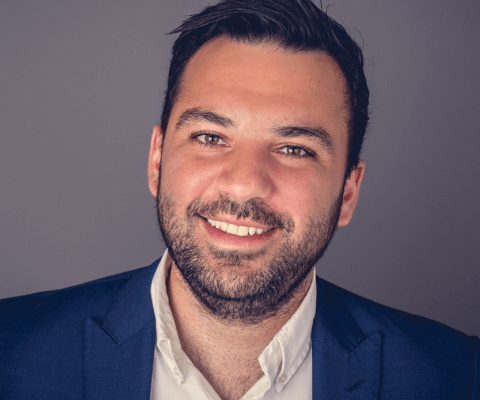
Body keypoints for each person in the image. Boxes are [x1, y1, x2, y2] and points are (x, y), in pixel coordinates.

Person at [0, 0, 478, 398]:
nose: (245, 184)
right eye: (210, 137)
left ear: (348, 192)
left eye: (294, 149)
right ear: (157, 159)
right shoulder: (9, 351)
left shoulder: (460, 377)